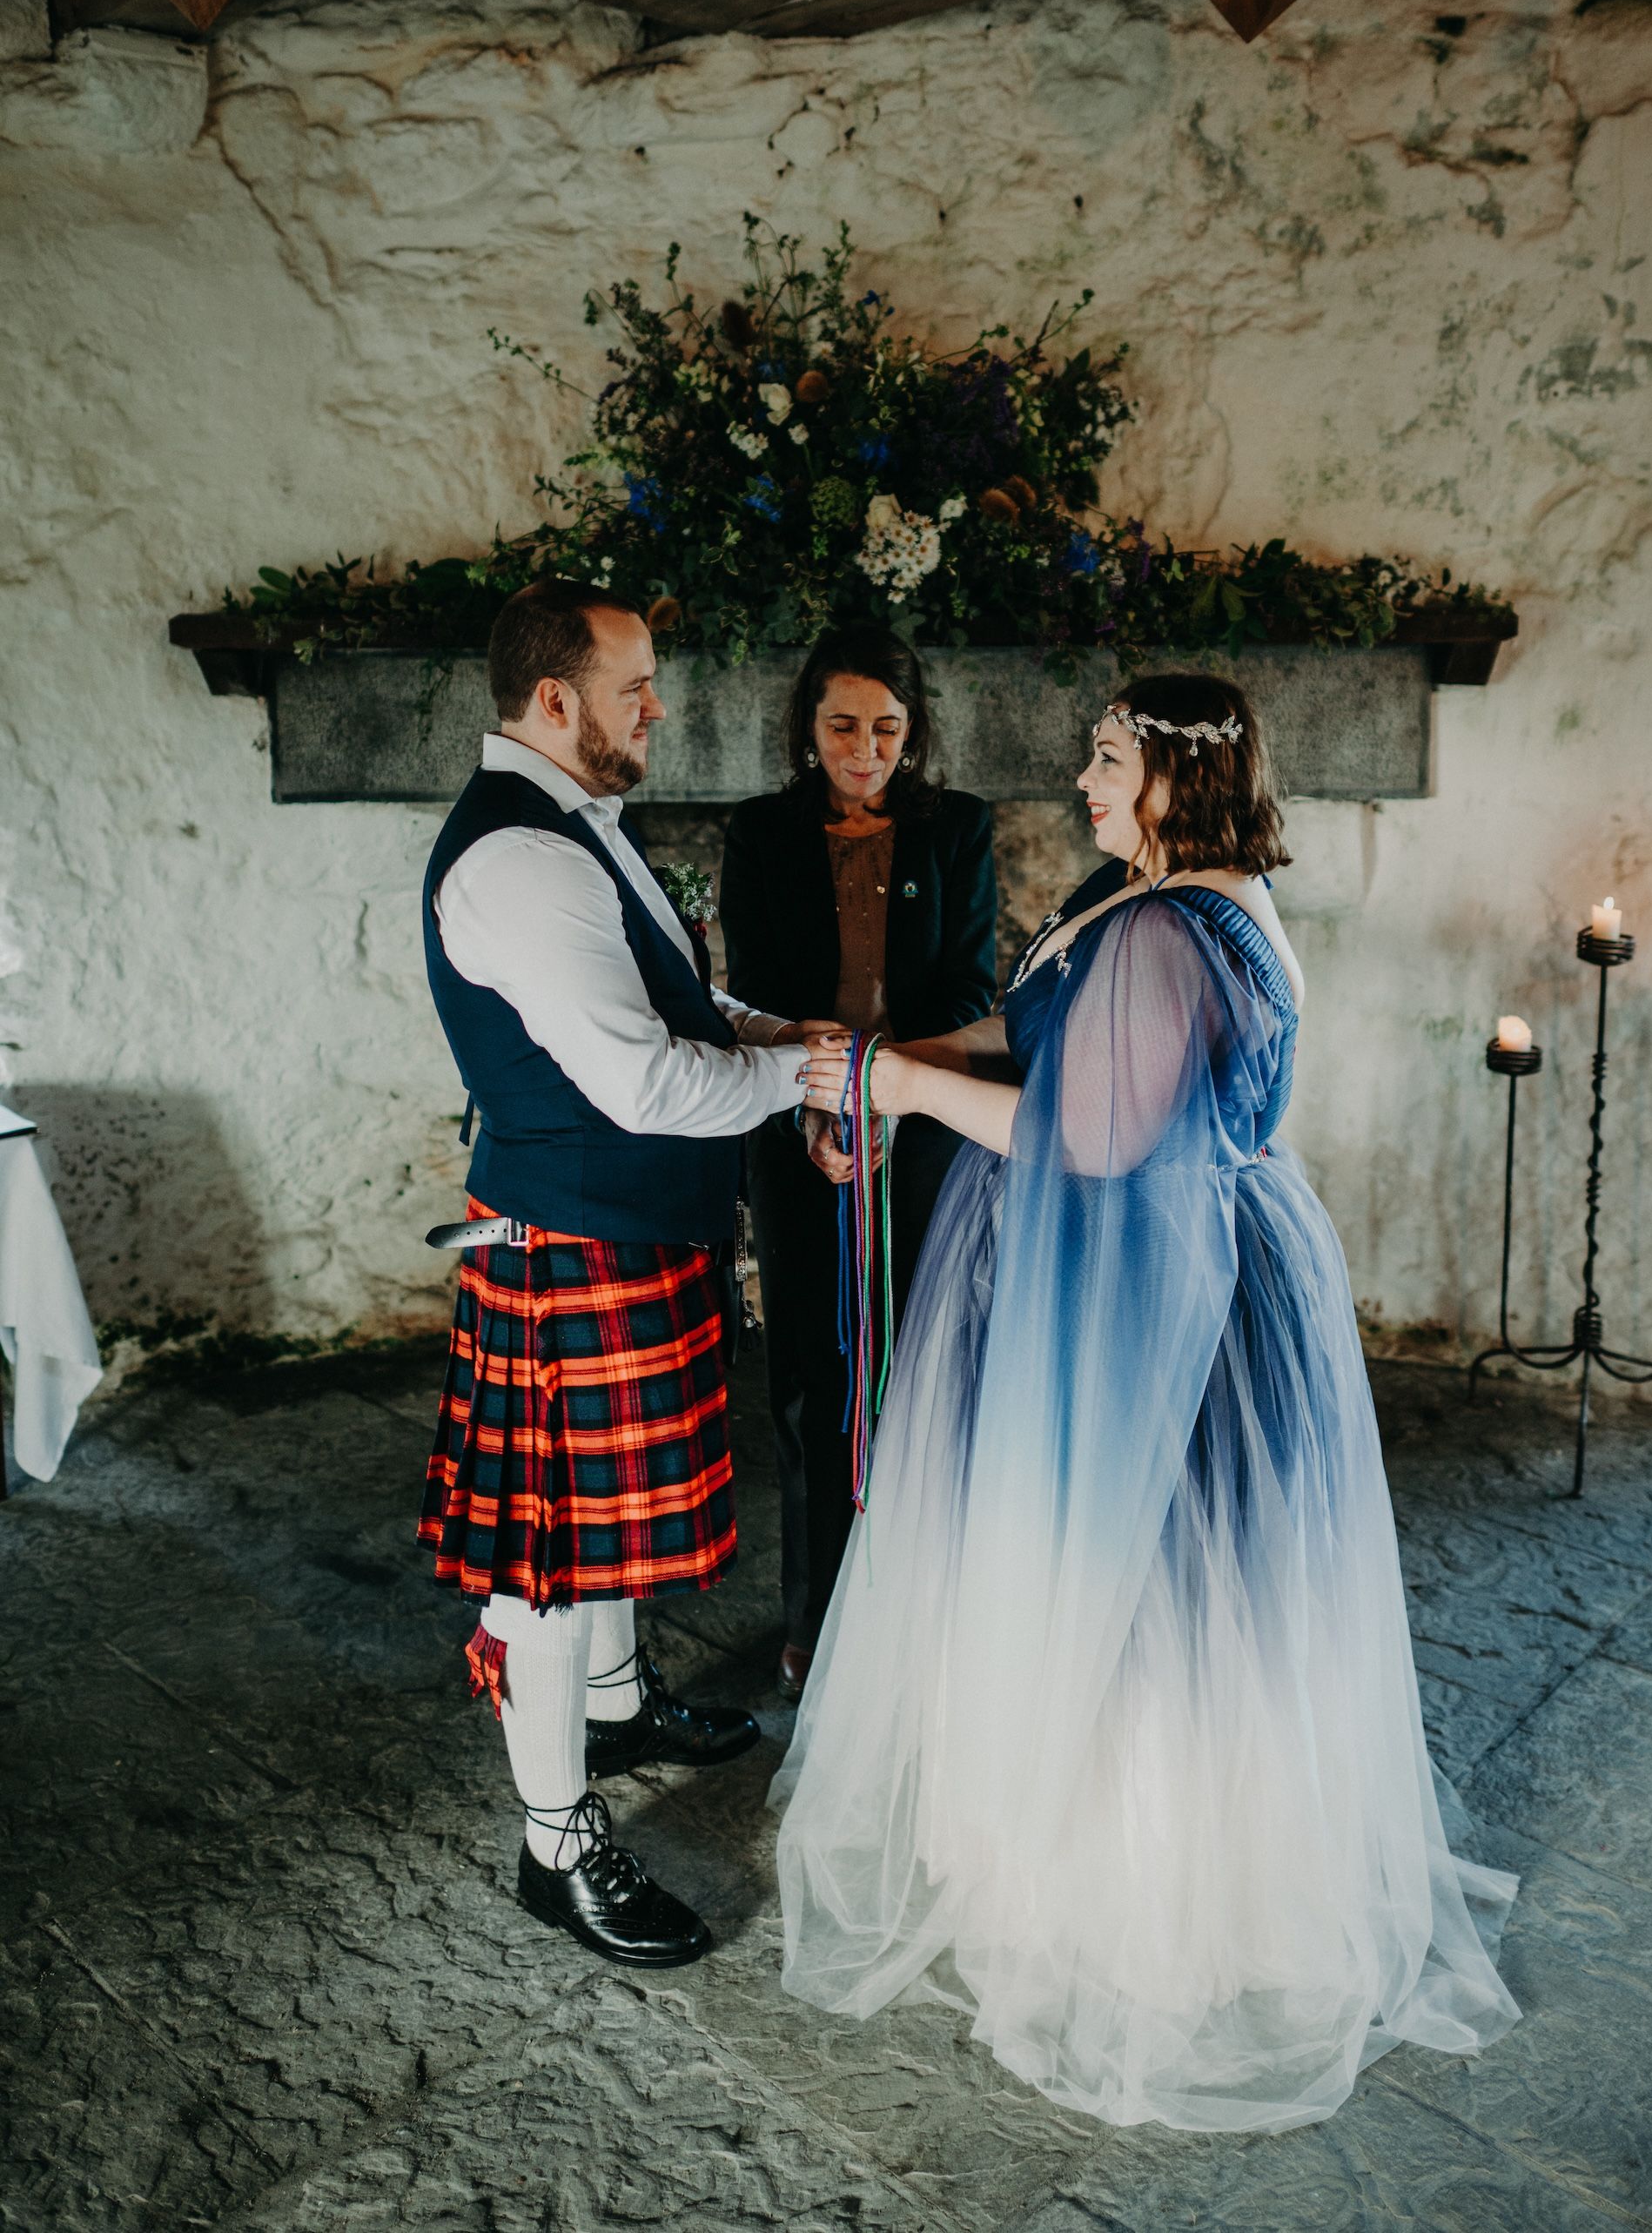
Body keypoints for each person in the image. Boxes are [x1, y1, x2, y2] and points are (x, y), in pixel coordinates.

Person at [781, 671, 1519, 2131]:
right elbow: (1044, 1036)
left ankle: (1149, 1901)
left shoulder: (1178, 930)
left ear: (1186, 778)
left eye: (1110, 759)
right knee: (1136, 1578)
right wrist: (900, 1059)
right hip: (1135, 1277)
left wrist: (908, 1098)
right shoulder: (1161, 900)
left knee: (1153, 1583)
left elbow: (1099, 1138)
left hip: (1157, 1310)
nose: (1086, 777)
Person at [418, 579, 836, 1969]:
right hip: (569, 1252)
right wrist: (802, 1075)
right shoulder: (522, 860)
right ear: (554, 701)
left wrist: (777, 1027)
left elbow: (672, 1004)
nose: (658, 706)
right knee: (546, 1553)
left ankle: (615, 1701)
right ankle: (557, 1840)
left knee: (598, 1528)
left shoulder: (580, 829)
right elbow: (650, 1084)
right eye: (635, 684)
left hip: (631, 1240)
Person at [720, 628, 997, 1699]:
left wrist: (885, 1099)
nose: (865, 749)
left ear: (913, 731)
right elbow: (756, 983)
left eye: (888, 728)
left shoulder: (959, 828)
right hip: (795, 1117)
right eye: (842, 726)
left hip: (922, 1125)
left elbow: (970, 990)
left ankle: (918, 1613)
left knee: (918, 1368)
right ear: (806, 728)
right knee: (808, 1378)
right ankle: (815, 1613)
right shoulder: (758, 832)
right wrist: (818, 1103)